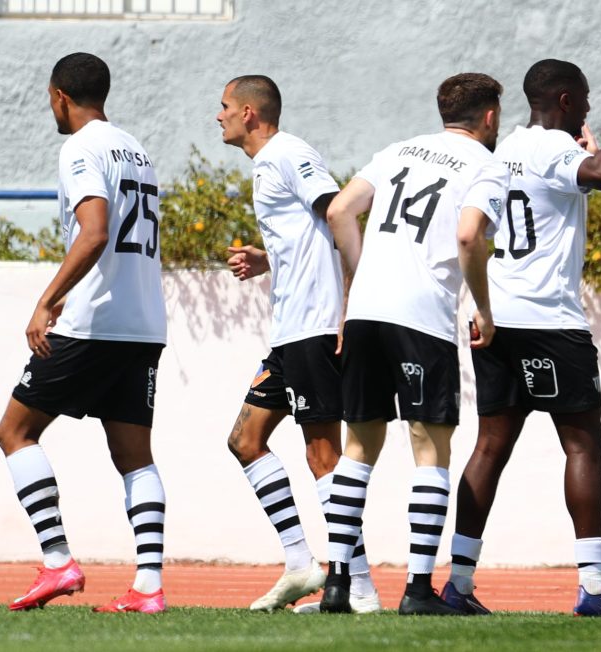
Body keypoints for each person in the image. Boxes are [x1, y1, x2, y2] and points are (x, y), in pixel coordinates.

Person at [441, 59, 601, 618]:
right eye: (584, 98)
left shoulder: (505, 150)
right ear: (565, 100)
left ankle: (458, 583)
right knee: (584, 445)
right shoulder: (551, 147)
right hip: (551, 323)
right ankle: (594, 586)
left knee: (489, 447)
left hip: (498, 316)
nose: (588, 107)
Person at [320, 72, 509, 616]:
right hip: (421, 319)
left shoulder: (398, 150)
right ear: (489, 116)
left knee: (358, 449)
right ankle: (418, 590)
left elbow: (338, 211)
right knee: (431, 452)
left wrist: (364, 277)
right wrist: (484, 309)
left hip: (365, 313)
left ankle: (337, 585)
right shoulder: (485, 164)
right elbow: (469, 235)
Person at [0, 52, 168, 613]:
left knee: (14, 432)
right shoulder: (136, 149)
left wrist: (46, 301)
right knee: (135, 457)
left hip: (93, 326)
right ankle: (149, 587)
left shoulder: (80, 148)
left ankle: (57, 561)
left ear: (60, 96)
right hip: (143, 325)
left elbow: (94, 233)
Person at [216, 75, 379, 613]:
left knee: (322, 456)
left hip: (315, 328)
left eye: (224, 107)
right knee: (245, 440)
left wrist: (351, 305)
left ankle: (359, 588)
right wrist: (269, 259)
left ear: (248, 113)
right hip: (289, 333)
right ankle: (300, 564)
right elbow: (312, 232)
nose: (218, 116)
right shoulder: (266, 165)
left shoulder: (289, 153)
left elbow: (339, 211)